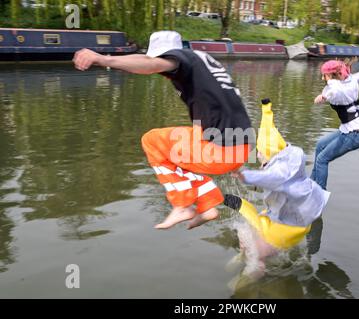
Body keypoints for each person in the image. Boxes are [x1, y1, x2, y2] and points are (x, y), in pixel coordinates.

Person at [73, 31, 255, 229]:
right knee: (178, 151)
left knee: (152, 141)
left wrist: (102, 59)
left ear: (168, 55)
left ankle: (182, 205)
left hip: (220, 152)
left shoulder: (180, 61)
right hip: (241, 148)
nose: (163, 75)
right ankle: (208, 205)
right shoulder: (204, 63)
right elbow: (222, 109)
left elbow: (151, 64)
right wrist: (235, 162)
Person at [225, 98, 330, 280]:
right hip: (299, 221)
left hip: (285, 229)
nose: (257, 154)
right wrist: (266, 110)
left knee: (255, 254)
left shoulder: (280, 171)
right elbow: (268, 128)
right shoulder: (288, 156)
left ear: (267, 155)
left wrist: (244, 175)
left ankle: (244, 285)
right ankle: (249, 256)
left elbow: (273, 178)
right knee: (252, 227)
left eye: (259, 151)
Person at [311, 56, 359, 190]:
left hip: (355, 134)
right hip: (353, 129)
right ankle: (311, 183)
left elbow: (334, 90)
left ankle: (319, 194)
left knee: (322, 160)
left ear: (331, 75)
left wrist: (323, 97)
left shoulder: (335, 87)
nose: (323, 79)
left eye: (324, 76)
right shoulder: (351, 80)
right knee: (320, 145)